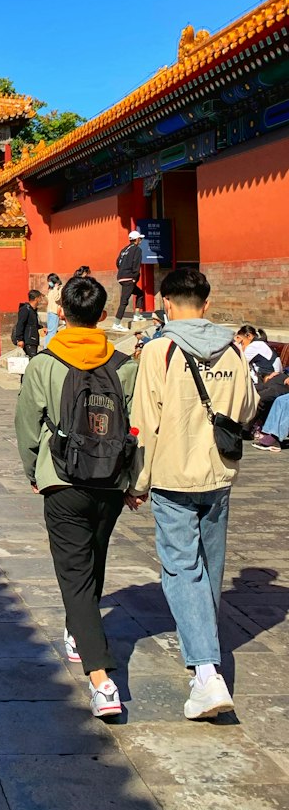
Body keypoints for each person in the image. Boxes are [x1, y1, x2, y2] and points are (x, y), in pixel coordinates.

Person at [128, 267, 258, 720]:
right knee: (211, 566)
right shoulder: (233, 350)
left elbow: (144, 421)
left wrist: (136, 482)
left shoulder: (159, 350)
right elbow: (246, 409)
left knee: (182, 569)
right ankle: (206, 657)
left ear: (166, 302)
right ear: (206, 303)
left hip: (172, 475)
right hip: (218, 474)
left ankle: (206, 672)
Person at [15, 274, 139, 719]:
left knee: (74, 574)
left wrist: (35, 471)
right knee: (95, 560)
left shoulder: (45, 364)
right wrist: (133, 481)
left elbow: (28, 426)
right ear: (103, 315)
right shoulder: (125, 365)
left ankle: (102, 680)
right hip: (109, 480)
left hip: (62, 478)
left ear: (61, 312)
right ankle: (78, 630)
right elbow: (134, 428)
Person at [111, 231, 146, 329]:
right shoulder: (137, 250)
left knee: (139, 293)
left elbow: (118, 262)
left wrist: (122, 270)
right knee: (124, 301)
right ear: (137, 239)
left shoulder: (124, 249)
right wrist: (134, 277)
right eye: (140, 239)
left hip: (122, 276)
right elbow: (136, 264)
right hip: (129, 278)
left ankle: (137, 315)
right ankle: (116, 323)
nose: (140, 241)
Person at [12, 290, 42, 357]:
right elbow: (20, 324)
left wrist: (41, 328)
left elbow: (31, 324)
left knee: (31, 360)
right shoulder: (25, 309)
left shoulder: (32, 310)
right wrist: (20, 339)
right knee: (31, 360)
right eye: (40, 298)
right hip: (28, 340)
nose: (41, 300)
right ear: (36, 298)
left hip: (33, 340)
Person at [44, 274, 63, 346]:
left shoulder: (60, 288)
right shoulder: (51, 289)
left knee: (52, 332)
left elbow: (56, 298)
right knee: (48, 331)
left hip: (55, 312)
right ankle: (46, 346)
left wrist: (56, 288)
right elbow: (49, 299)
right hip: (49, 311)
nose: (49, 282)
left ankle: (48, 347)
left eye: (49, 281)